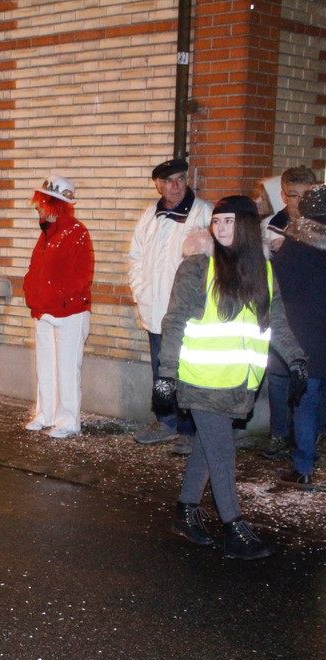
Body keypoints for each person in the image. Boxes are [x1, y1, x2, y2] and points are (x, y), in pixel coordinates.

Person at [156, 196, 306, 560]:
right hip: (200, 379)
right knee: (222, 450)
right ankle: (233, 527)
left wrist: (297, 360)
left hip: (238, 382)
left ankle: (185, 509)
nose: (220, 229)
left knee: (209, 448)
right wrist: (165, 377)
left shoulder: (263, 272)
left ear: (248, 227)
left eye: (229, 222)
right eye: (216, 221)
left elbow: (277, 323)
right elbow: (174, 322)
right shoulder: (198, 268)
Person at [129, 158, 213, 455]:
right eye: (168, 181)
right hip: (155, 309)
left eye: (180, 179)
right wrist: (141, 292)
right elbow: (136, 258)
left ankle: (189, 429)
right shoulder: (150, 215)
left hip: (187, 312)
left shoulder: (203, 213)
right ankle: (165, 421)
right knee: (160, 367)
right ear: (158, 185)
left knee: (186, 369)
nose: (175, 186)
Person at [22, 174, 94, 439]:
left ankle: (68, 420)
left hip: (69, 313)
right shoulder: (47, 234)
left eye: (43, 202)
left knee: (66, 368)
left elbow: (82, 275)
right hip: (44, 311)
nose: (38, 207)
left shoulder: (76, 232)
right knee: (46, 366)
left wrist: (60, 298)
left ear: (56, 204)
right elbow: (37, 269)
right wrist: (33, 293)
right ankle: (46, 414)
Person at [268, 183, 326, 490]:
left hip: (305, 337)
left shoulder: (293, 245)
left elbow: (279, 291)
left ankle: (304, 466)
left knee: (305, 400)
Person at [259, 166, 318, 461]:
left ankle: (307, 439)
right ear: (283, 195)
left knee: (312, 378)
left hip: (311, 315)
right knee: (279, 377)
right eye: (293, 195)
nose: (299, 202)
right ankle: (280, 436)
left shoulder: (319, 226)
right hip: (282, 313)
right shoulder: (272, 225)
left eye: (306, 195)